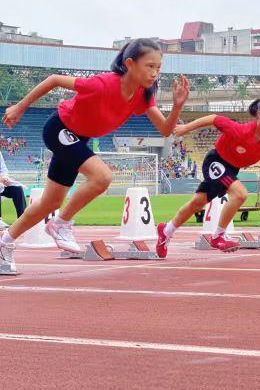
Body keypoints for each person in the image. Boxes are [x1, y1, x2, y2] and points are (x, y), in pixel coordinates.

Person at [0, 38, 189, 269]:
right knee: (102, 177)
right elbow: (54, 80)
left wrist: (177, 105)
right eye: (149, 66)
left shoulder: (143, 95)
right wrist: (20, 107)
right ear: (129, 63)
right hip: (60, 129)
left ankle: (5, 241)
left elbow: (165, 129)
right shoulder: (102, 84)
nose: (155, 73)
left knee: (50, 202)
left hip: (78, 138)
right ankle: (61, 223)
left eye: (158, 68)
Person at [155, 95, 260, 256]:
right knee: (240, 194)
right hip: (215, 161)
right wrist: (186, 128)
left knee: (197, 203)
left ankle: (166, 230)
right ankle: (218, 236)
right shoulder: (241, 130)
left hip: (232, 169)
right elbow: (213, 118)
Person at [0, 150, 27, 228]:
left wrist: (4, 177)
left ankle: (22, 220)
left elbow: (3, 168)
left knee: (17, 189)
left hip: (1, 183)